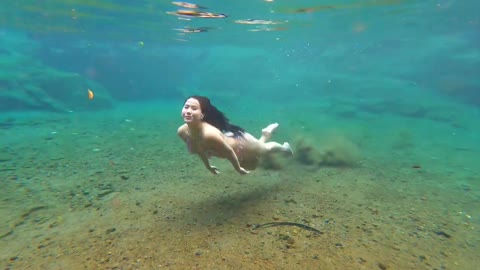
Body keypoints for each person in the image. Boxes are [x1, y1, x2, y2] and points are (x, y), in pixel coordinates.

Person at [177, 96, 293, 175]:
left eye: (194, 108)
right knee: (253, 165)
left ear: (202, 115)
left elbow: (228, 152)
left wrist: (238, 168)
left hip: (242, 144)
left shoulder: (209, 135)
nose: (188, 111)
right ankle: (265, 134)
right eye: (186, 107)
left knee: (263, 149)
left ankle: (284, 148)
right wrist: (208, 166)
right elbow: (199, 150)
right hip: (234, 147)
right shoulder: (182, 132)